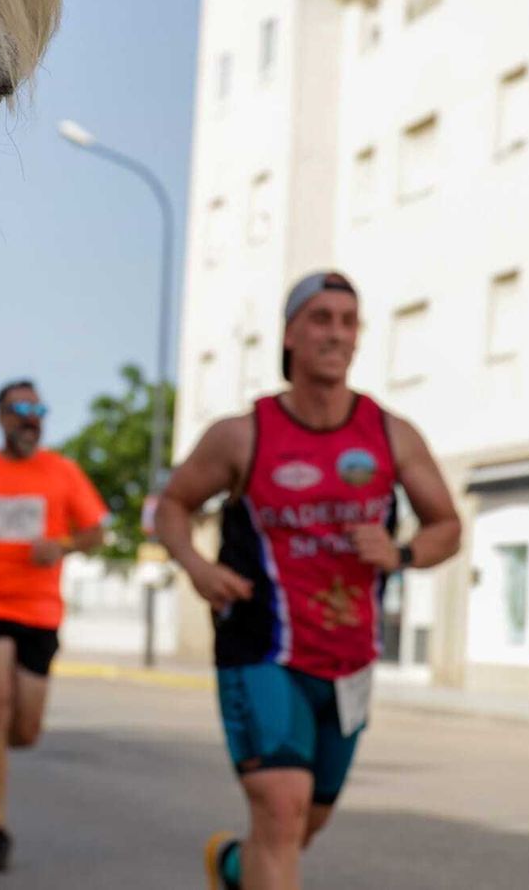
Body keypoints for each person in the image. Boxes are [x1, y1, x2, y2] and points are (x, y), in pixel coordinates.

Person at [154, 271, 463, 890]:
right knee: (282, 808)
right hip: (261, 648)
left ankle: (236, 867)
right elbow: (171, 506)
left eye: (349, 321)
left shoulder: (390, 433)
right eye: (321, 318)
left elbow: (448, 527)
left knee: (303, 824)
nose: (337, 333)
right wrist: (197, 566)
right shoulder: (243, 434)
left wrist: (400, 554)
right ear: (290, 334)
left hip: (349, 662)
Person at [0, 379, 109, 872]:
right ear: (1, 417)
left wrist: (65, 546)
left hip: (39, 611)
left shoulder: (63, 472)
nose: (30, 417)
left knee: (25, 730)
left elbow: (97, 532)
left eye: (37, 408)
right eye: (19, 409)